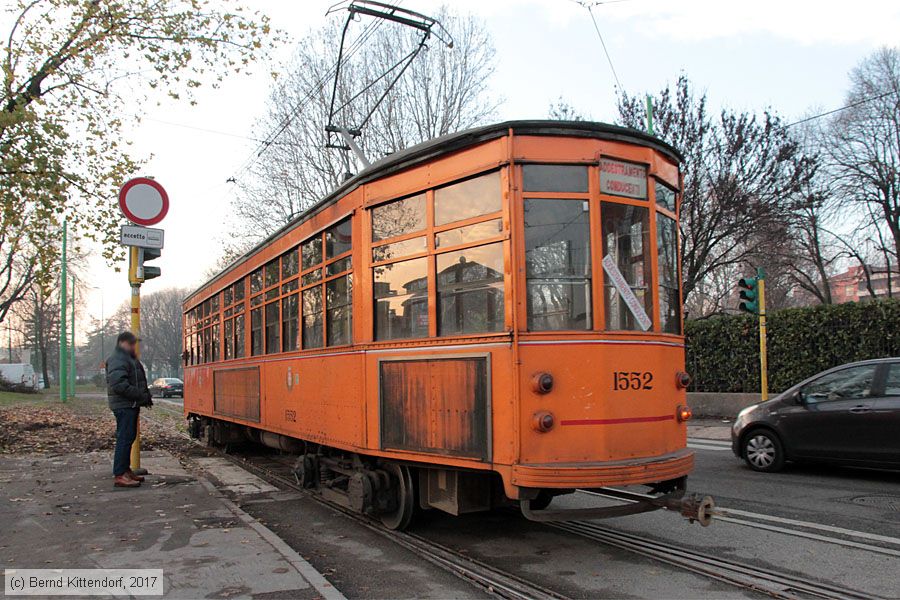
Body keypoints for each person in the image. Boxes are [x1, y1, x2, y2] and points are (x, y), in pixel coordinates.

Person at [106, 331, 153, 488]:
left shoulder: (126, 358)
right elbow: (118, 384)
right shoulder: (118, 359)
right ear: (122, 343)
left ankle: (125, 471)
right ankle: (120, 474)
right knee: (125, 439)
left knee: (128, 437)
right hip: (124, 404)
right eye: (131, 343)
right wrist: (139, 395)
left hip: (129, 404)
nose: (134, 346)